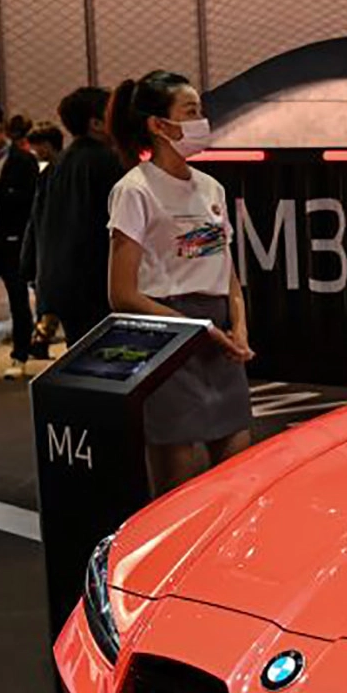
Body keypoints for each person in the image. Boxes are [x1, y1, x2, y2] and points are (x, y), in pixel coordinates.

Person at [106, 70, 253, 494]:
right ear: (158, 125)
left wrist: (238, 326)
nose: (201, 121)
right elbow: (121, 293)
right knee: (177, 485)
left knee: (240, 472)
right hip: (168, 342)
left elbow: (227, 274)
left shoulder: (211, 188)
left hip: (219, 344)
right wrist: (198, 329)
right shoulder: (134, 190)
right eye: (190, 112)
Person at [24, 86, 124, 352]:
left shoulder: (56, 166)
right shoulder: (108, 162)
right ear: (96, 123)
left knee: (80, 357)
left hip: (60, 284)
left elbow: (36, 223)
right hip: (97, 285)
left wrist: (34, 273)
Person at [0, 102, 39, 380]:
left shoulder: (23, 160)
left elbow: (30, 198)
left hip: (13, 240)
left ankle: (20, 356)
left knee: (18, 299)